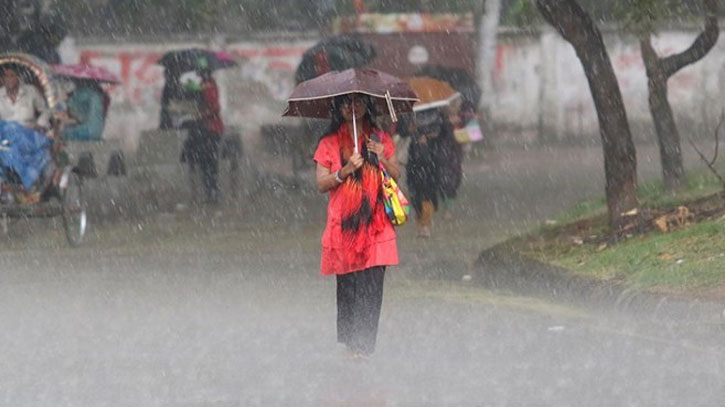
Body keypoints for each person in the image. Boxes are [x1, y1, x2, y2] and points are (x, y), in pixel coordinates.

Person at [313, 93, 400, 358]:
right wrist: (346, 169)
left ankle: (364, 346)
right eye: (346, 103)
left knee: (372, 285)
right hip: (345, 226)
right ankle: (352, 344)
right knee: (349, 285)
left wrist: (382, 157)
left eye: (358, 102)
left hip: (376, 224)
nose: (353, 107)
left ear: (367, 106)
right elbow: (321, 184)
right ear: (338, 108)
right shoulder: (328, 143)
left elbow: (396, 175)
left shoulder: (379, 138)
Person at [400, 112, 439, 238]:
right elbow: (402, 132)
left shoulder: (434, 113)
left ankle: (425, 224)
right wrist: (409, 129)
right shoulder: (409, 113)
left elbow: (440, 131)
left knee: (427, 196)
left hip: (430, 163)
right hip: (414, 163)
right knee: (416, 196)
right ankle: (420, 222)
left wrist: (428, 137)